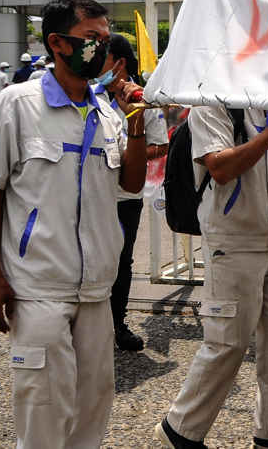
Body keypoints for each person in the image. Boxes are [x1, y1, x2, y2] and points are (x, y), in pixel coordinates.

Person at [0, 0, 147, 447]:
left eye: (105, 39)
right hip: (38, 287)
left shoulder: (107, 112)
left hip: (96, 290)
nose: (102, 48)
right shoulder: (18, 104)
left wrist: (136, 122)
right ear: (58, 43)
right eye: (91, 38)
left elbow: (132, 183)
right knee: (43, 410)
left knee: (93, 406)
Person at [156, 98, 268, 447]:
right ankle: (179, 430)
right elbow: (220, 167)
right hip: (233, 239)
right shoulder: (212, 103)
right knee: (227, 342)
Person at [95, 34, 170, 351]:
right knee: (90, 257)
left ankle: (117, 324)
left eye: (102, 58)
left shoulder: (144, 98)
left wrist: (126, 155)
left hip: (126, 198)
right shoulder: (89, 96)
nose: (95, 64)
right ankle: (88, 325)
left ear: (119, 63)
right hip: (94, 194)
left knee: (121, 260)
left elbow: (161, 145)